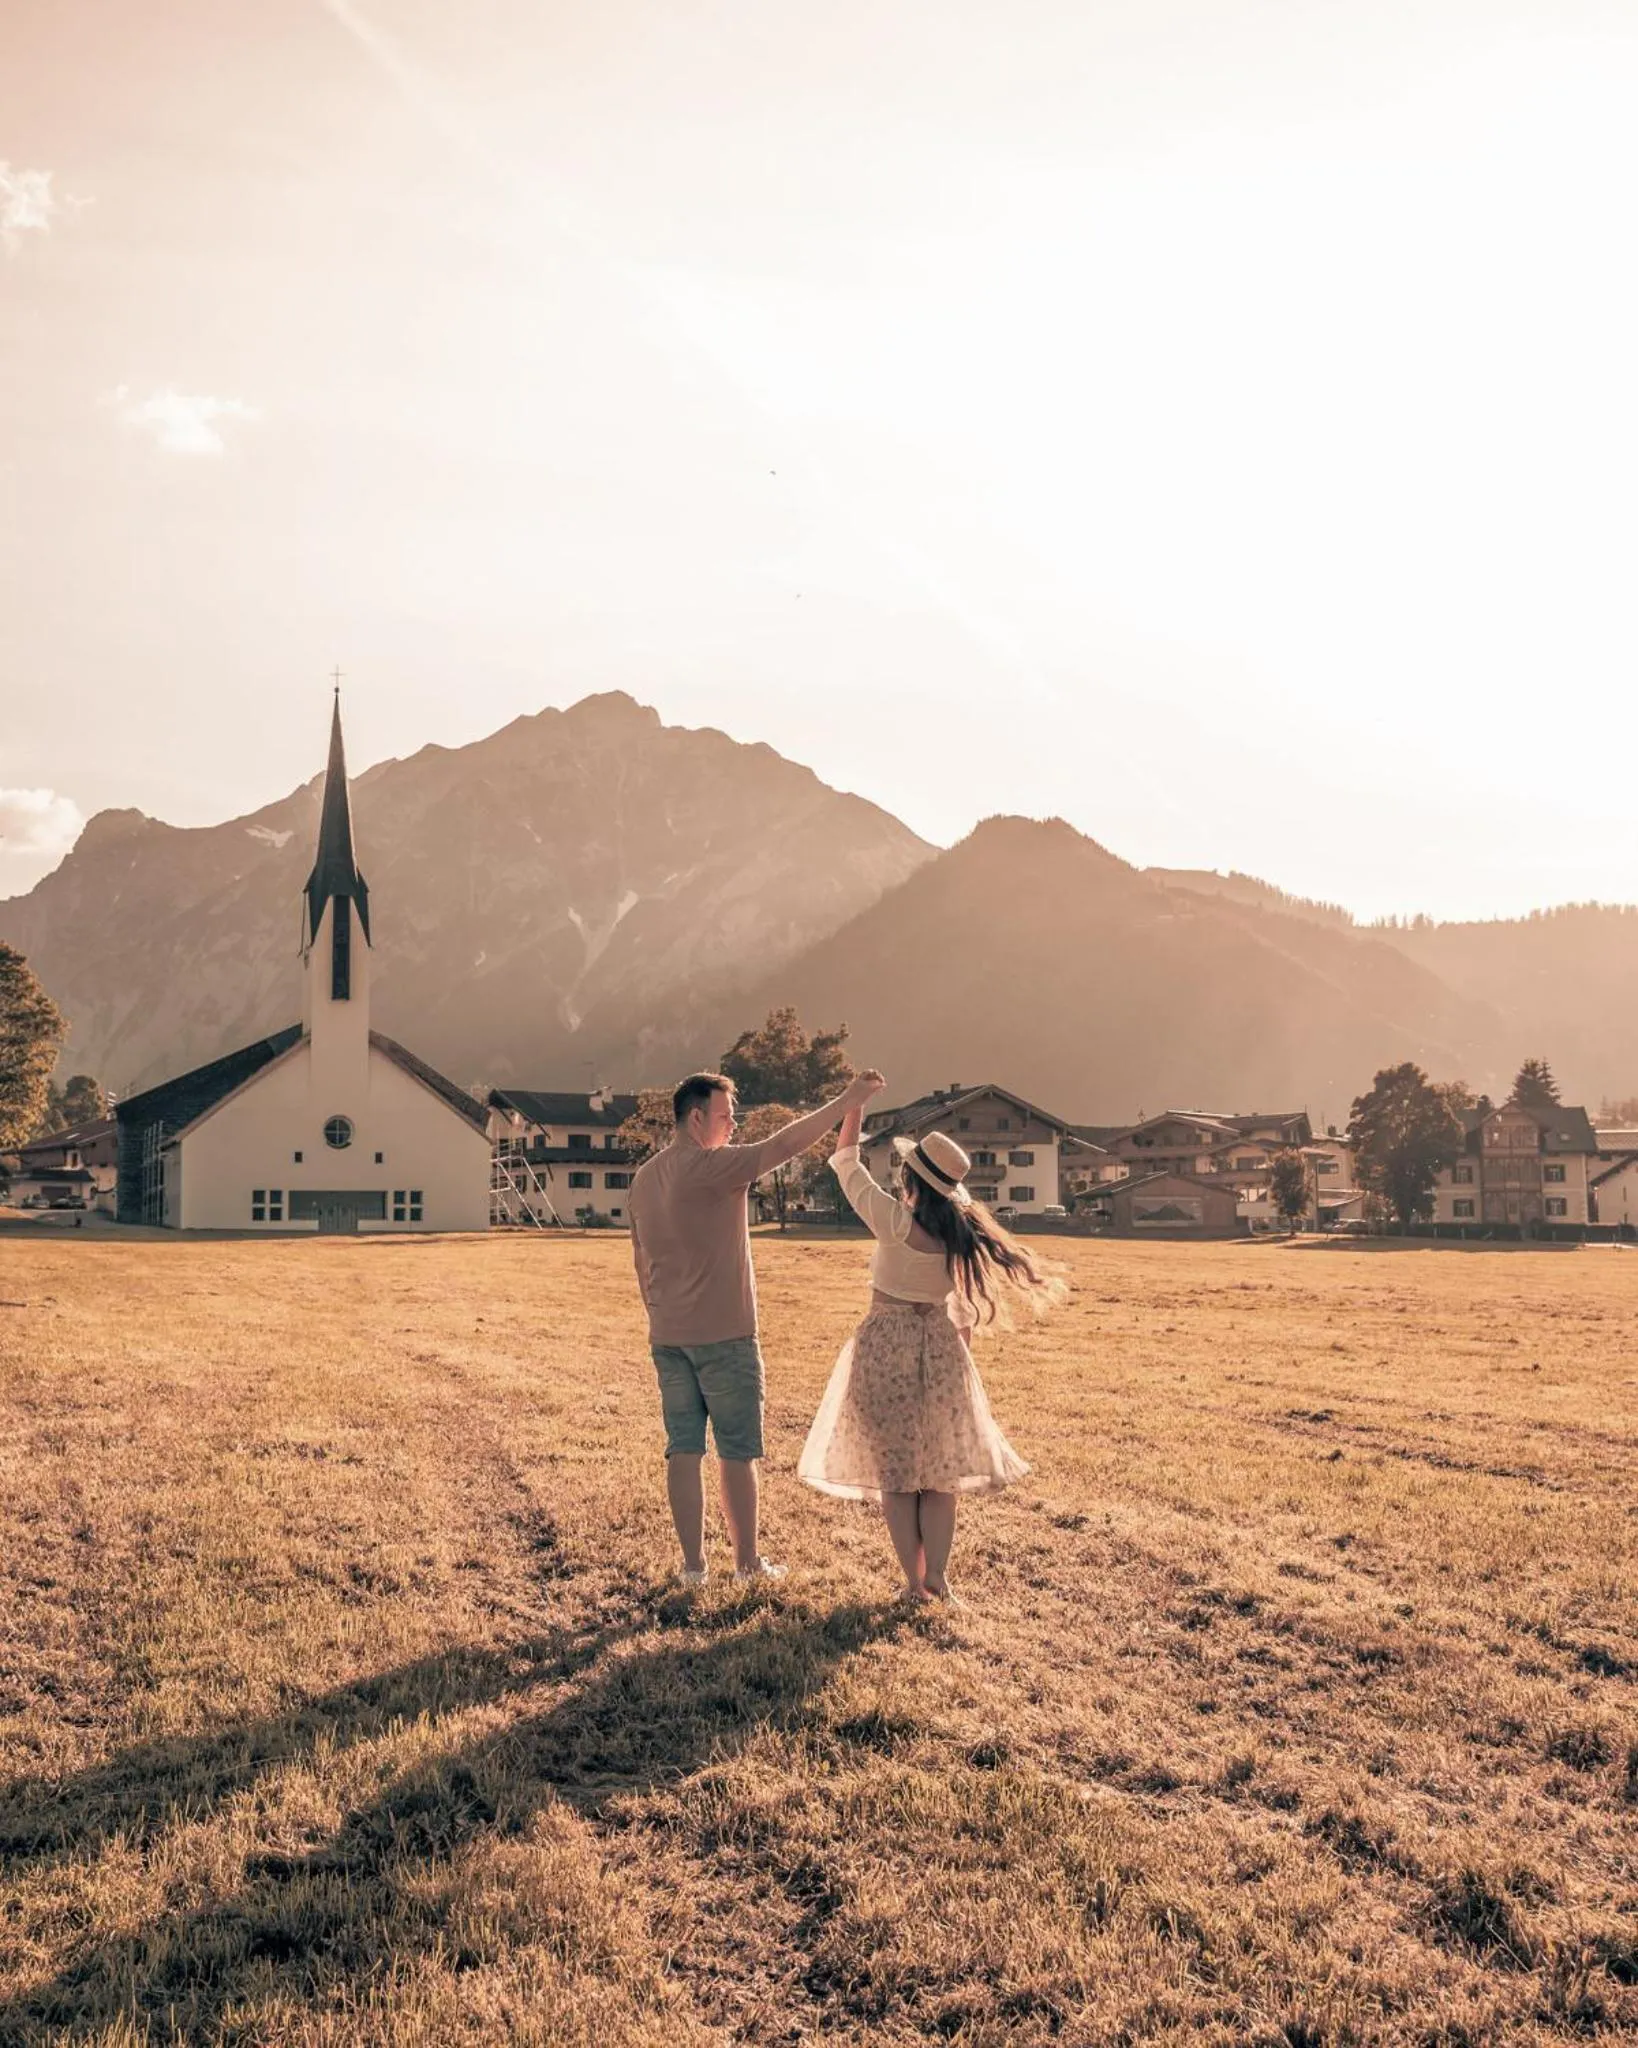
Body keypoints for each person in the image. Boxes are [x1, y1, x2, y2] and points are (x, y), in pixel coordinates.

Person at [798, 1081, 1054, 1603]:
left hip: (886, 1346)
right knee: (939, 1478)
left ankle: (914, 1584)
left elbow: (846, 1160)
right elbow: (959, 1312)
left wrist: (857, 1102)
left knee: (897, 1476)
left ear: (909, 1176)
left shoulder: (894, 1222)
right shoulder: (959, 1235)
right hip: (940, 1348)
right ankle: (937, 1575)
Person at [629, 1065, 886, 1587]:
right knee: (737, 1451)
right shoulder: (708, 1166)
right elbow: (782, 1145)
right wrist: (846, 1101)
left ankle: (693, 1568)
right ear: (697, 1117)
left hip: (669, 1335)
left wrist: (659, 1314)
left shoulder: (644, 1177)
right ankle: (746, 1563)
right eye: (725, 1117)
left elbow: (640, 1260)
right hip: (724, 1336)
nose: (732, 1128)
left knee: (682, 1448)